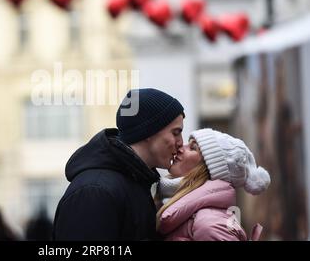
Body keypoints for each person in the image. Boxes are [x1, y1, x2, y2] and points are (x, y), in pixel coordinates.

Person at [53, 88, 185, 240]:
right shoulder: (95, 191)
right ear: (149, 131)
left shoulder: (136, 182)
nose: (181, 143)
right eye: (175, 133)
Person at [156, 128, 271, 241]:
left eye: (193, 148)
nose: (180, 148)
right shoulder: (192, 215)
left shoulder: (209, 225)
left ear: (208, 169)